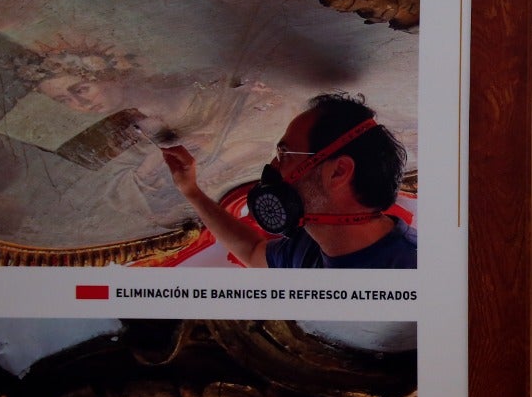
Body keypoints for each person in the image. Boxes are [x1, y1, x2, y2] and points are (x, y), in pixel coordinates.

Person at [162, 92, 416, 269]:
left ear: (338, 172)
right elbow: (252, 252)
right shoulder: (311, 246)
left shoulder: (415, 273)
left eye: (284, 154)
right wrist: (191, 190)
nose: (273, 167)